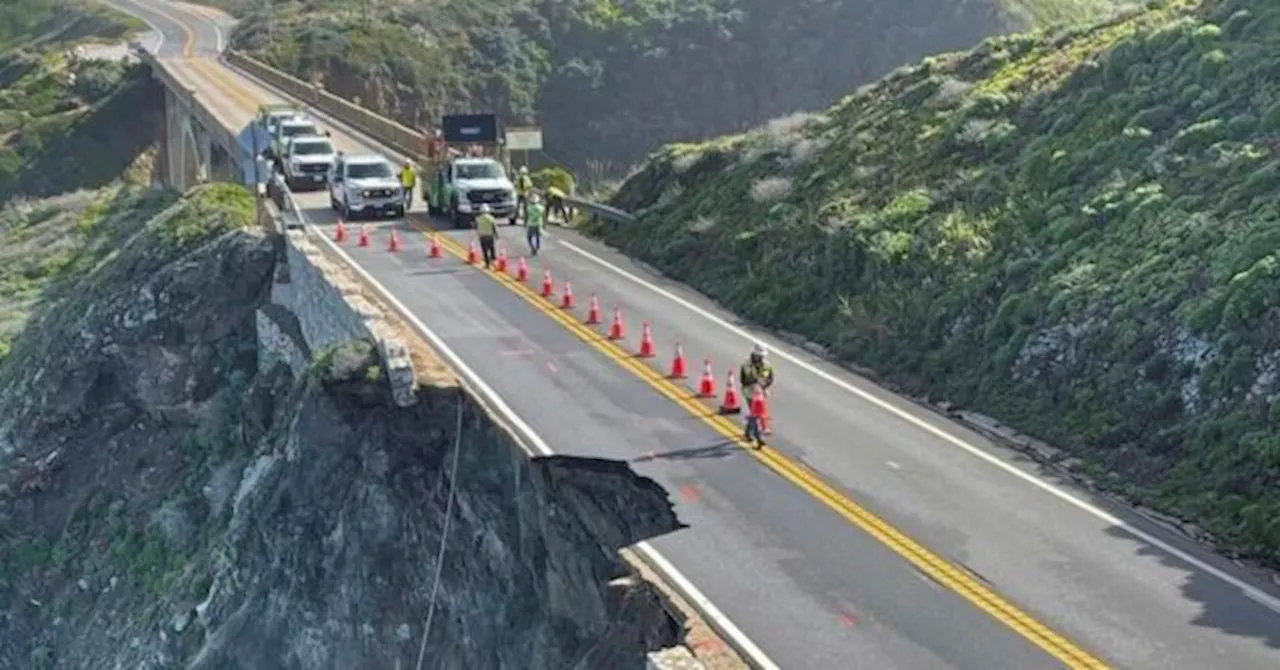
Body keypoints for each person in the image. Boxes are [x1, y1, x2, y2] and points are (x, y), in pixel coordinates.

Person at [739, 343, 775, 437]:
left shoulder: (767, 365)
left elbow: (770, 378)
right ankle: (750, 431)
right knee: (753, 411)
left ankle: (761, 428)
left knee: (762, 410)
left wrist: (764, 385)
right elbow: (743, 380)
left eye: (761, 356)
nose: (759, 357)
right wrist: (754, 381)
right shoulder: (746, 364)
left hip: (761, 390)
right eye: (758, 355)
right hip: (749, 390)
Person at [475, 203, 498, 269]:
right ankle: (493, 261)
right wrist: (496, 234)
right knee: (491, 248)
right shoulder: (491, 218)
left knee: (484, 250)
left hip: (482, 236)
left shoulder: (478, 219)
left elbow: (476, 227)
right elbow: (494, 227)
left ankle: (487, 264)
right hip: (490, 236)